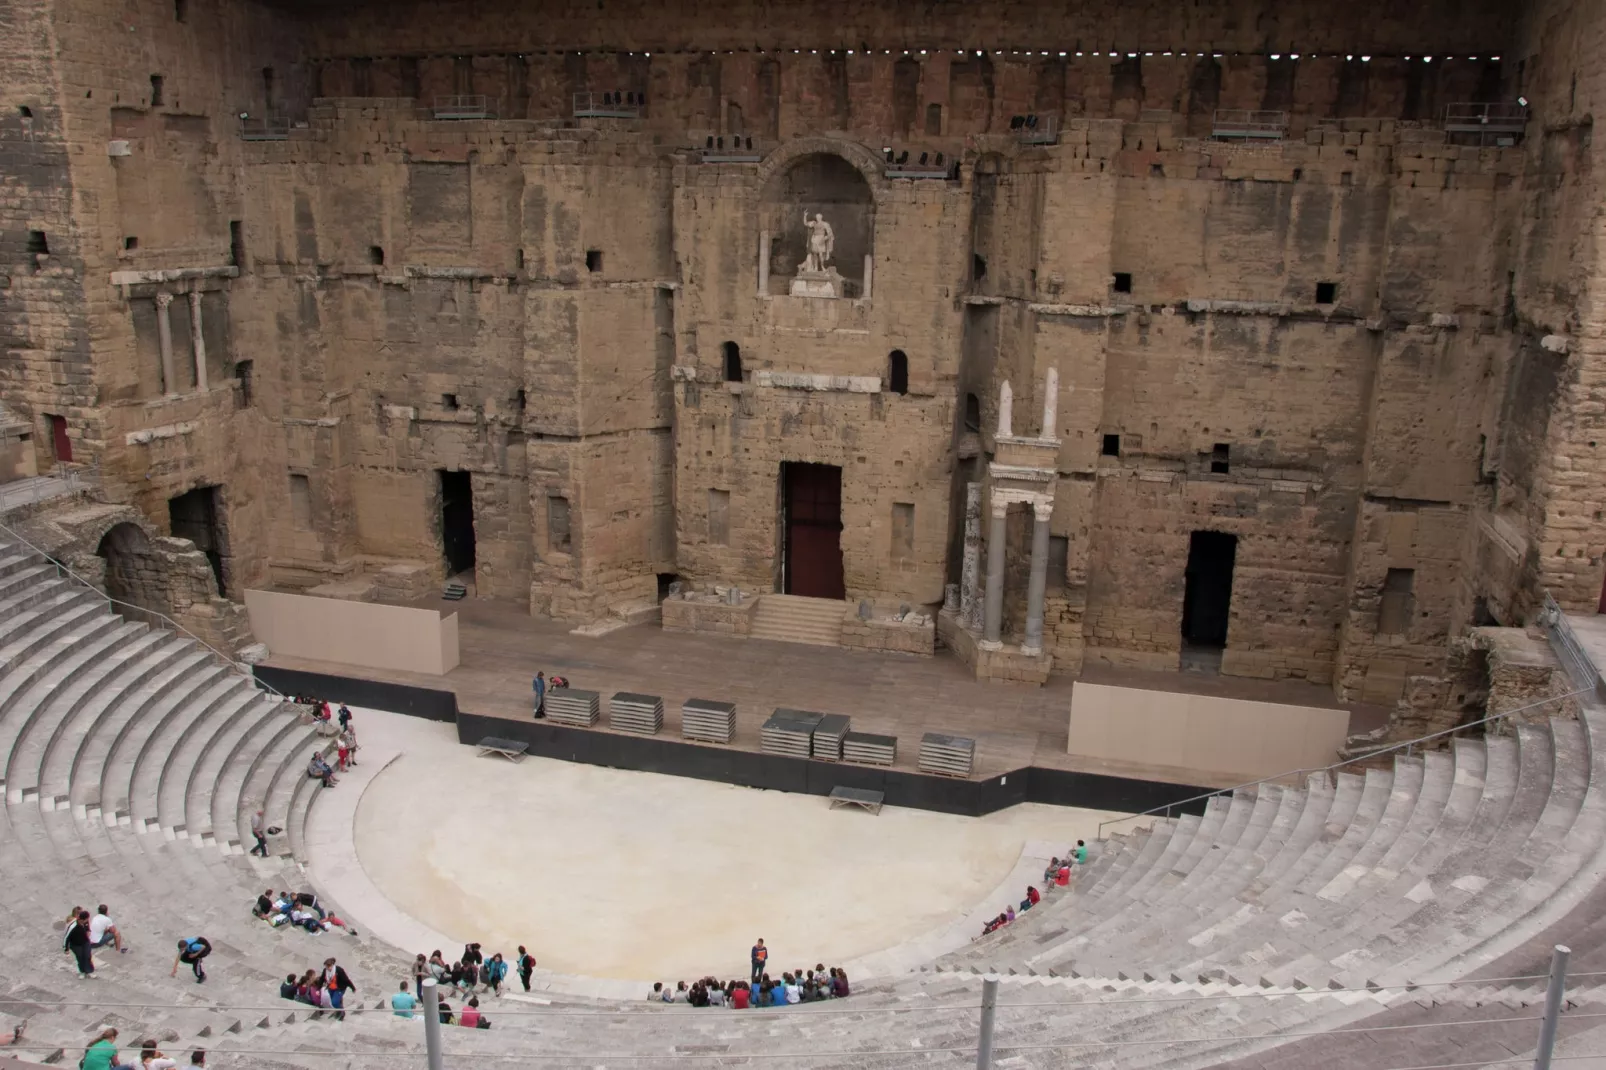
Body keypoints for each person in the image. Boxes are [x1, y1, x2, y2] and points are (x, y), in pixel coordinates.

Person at [65, 909, 95, 978]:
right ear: (82, 919)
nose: (88, 920)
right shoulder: (72, 926)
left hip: (85, 942)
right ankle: (82, 972)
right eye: (87, 919)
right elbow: (66, 937)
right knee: (80, 958)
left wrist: (88, 932)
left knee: (87, 956)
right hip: (76, 944)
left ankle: (89, 971)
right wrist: (66, 948)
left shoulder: (86, 922)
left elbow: (87, 929)